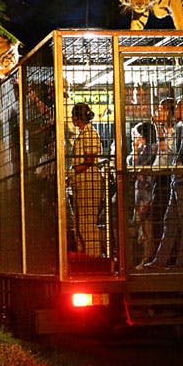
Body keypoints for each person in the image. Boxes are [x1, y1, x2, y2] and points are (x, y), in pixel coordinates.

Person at [143, 97, 183, 268]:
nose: (176, 110)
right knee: (171, 221)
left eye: (179, 107)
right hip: (178, 180)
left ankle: (181, 262)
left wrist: (180, 164)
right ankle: (162, 260)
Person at [68, 102, 103, 256]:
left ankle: (93, 256)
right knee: (80, 222)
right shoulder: (83, 134)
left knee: (87, 222)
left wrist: (73, 170)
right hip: (81, 182)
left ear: (77, 118)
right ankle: (84, 254)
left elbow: (90, 159)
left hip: (89, 182)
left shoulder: (90, 133)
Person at [127, 120, 159, 266]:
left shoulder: (152, 149)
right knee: (141, 226)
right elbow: (132, 164)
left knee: (146, 226)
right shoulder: (143, 149)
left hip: (147, 190)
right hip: (140, 190)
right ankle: (143, 257)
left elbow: (139, 167)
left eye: (138, 135)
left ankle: (147, 257)